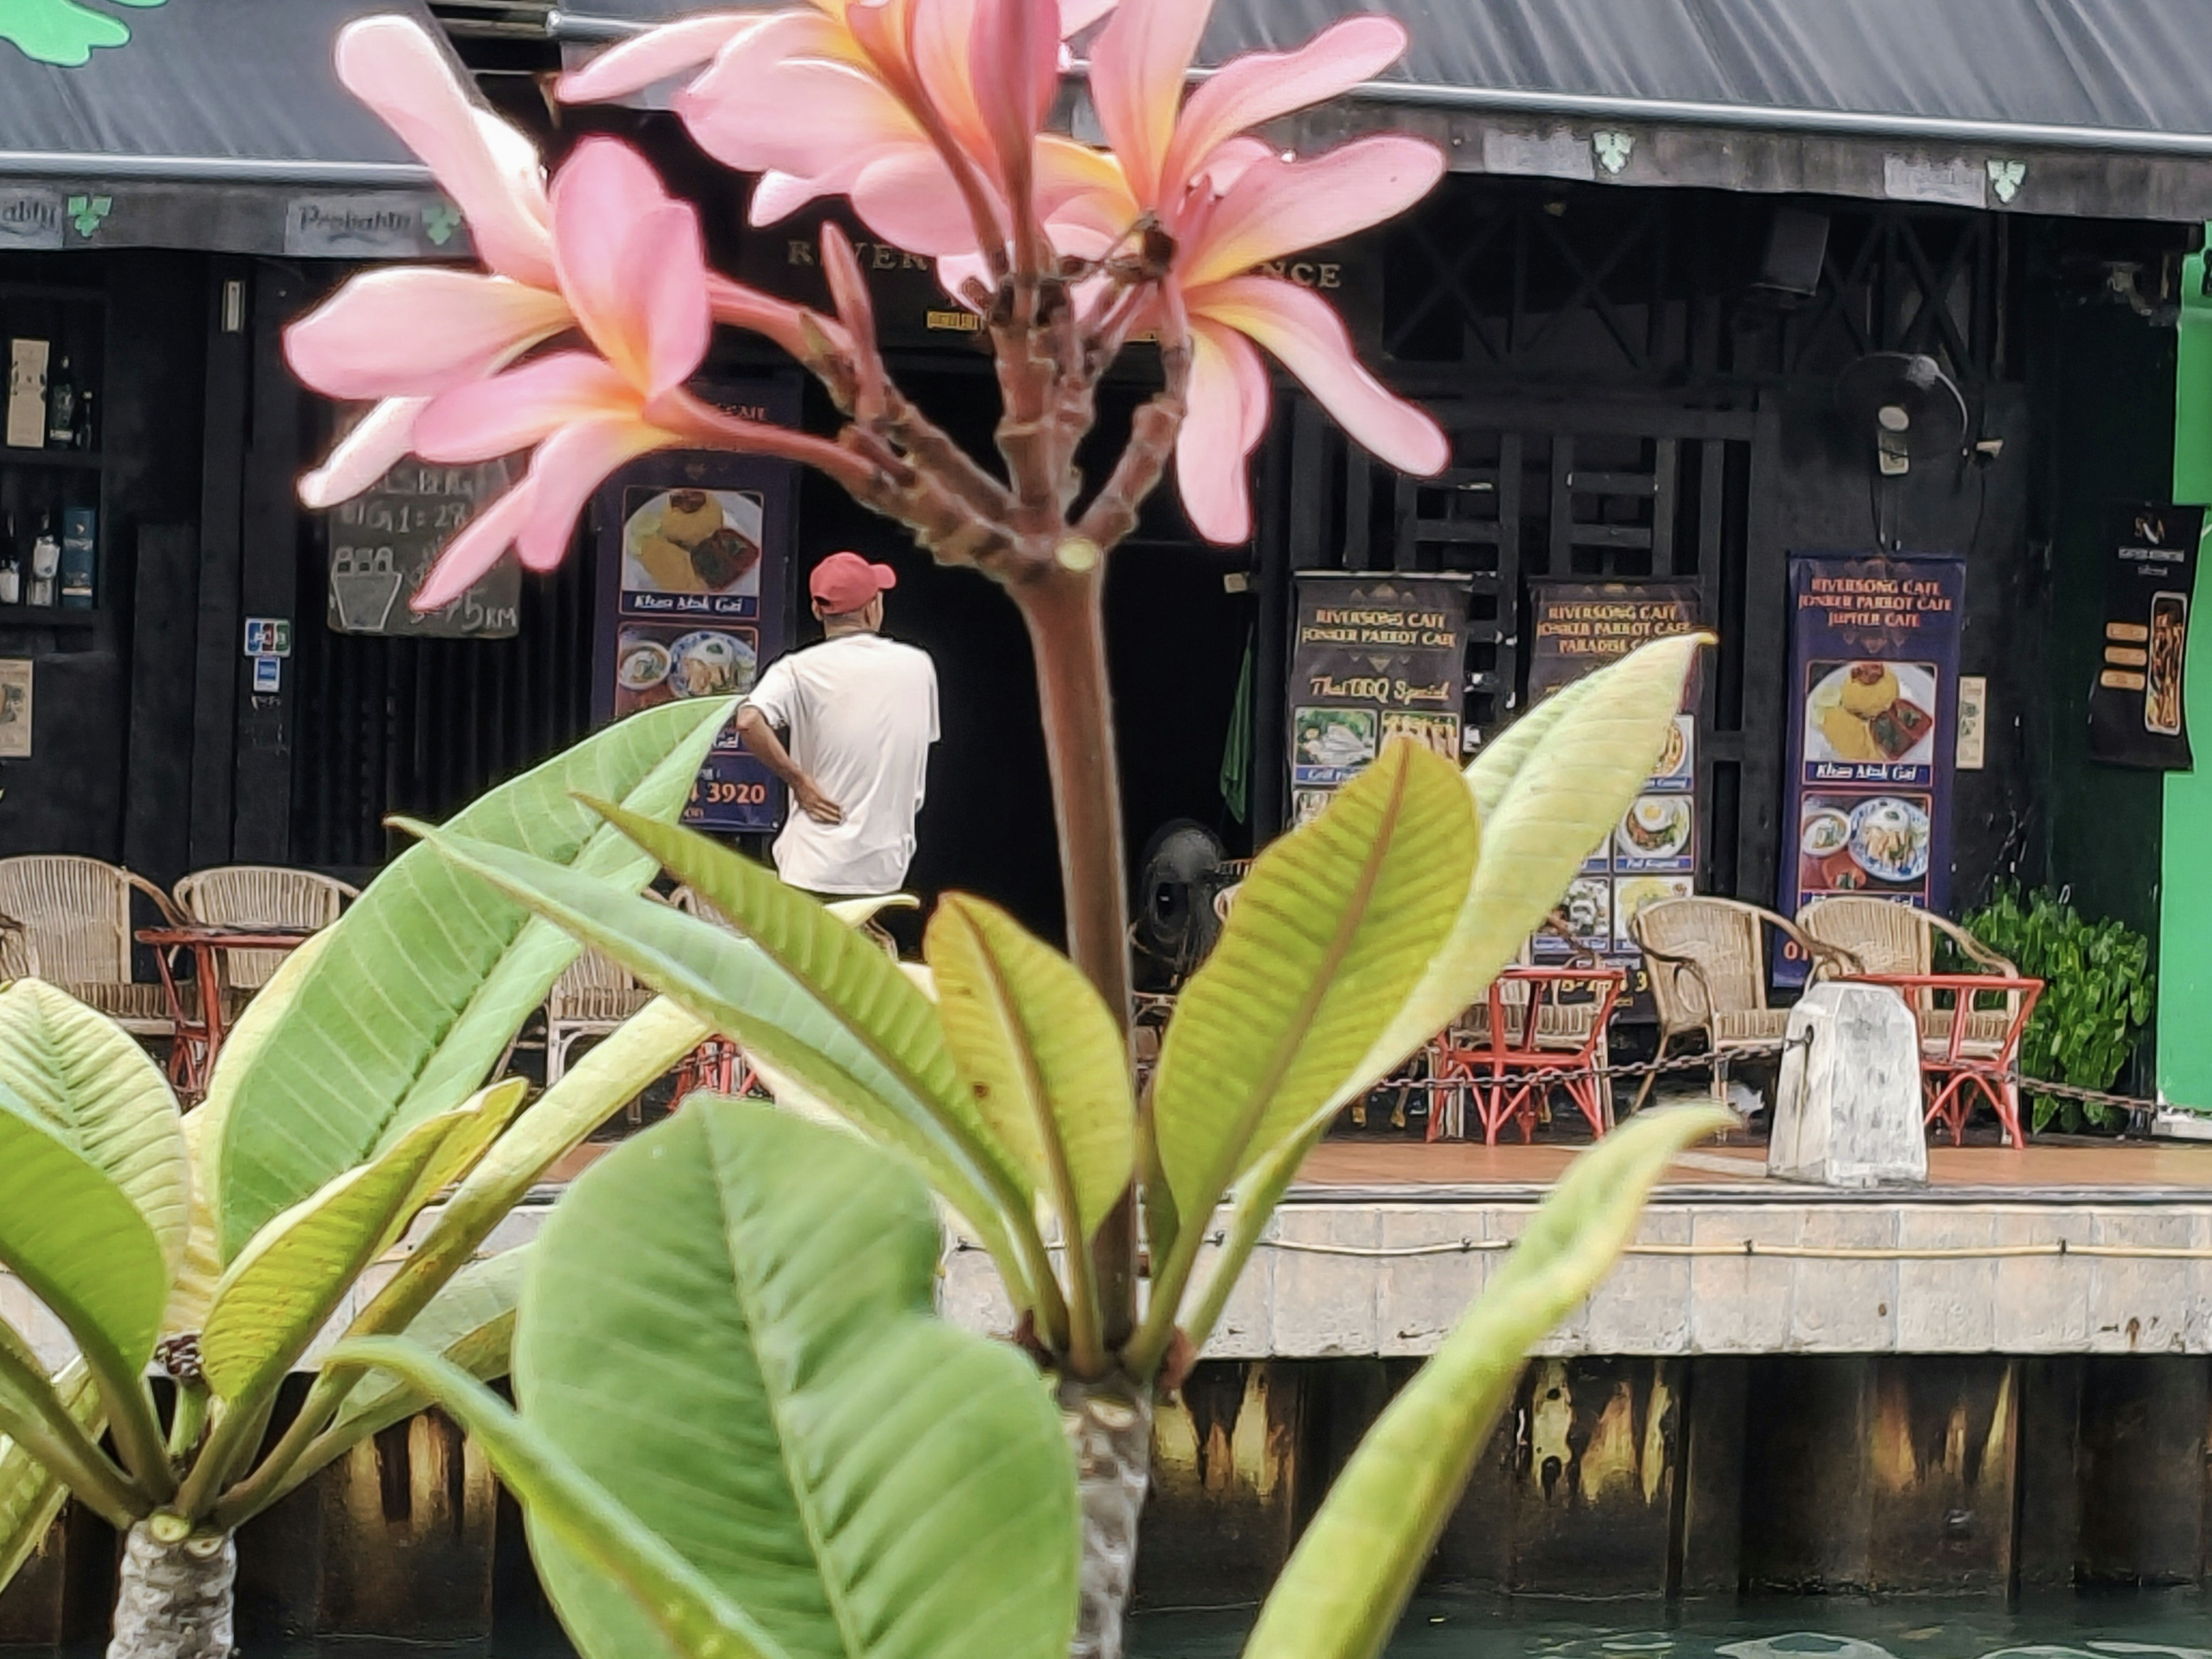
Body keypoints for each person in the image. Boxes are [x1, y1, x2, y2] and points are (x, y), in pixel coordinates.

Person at [736, 551, 940, 903]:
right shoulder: (918, 667)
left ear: (818, 611)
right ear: (872, 608)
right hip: (884, 872)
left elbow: (749, 719)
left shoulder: (797, 670)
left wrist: (798, 781)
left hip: (811, 866)